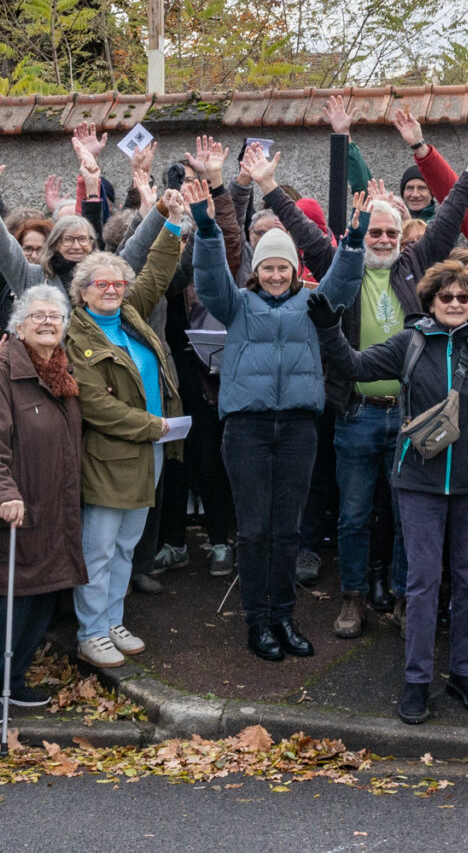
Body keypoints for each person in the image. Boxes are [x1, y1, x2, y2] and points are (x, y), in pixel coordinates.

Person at [319, 103, 468, 639]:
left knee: (407, 515)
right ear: (361, 235)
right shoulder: (342, 269)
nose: (384, 240)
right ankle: (352, 598)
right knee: (353, 515)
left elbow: (449, 216)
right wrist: (340, 140)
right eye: (374, 233)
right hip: (357, 414)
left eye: (391, 232)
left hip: (414, 416)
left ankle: (402, 597)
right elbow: (307, 224)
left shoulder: (415, 265)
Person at [349, 258, 468, 723]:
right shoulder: (408, 342)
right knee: (421, 583)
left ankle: (464, 672)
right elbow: (354, 365)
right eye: (446, 297)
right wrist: (324, 326)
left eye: (463, 297)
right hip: (418, 477)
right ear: (430, 301)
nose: (455, 304)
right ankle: (417, 680)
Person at [191, 174, 330, 662]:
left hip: (297, 428)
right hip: (247, 429)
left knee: (287, 528)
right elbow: (209, 280)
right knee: (253, 529)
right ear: (258, 269)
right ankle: (258, 620)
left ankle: (284, 615)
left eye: (283, 268)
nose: (275, 275)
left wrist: (352, 239)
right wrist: (205, 226)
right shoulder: (239, 305)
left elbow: (347, 279)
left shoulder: (311, 305)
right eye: (268, 267)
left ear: (294, 271)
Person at [0, 282, 87, 726]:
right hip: (11, 517)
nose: (48, 322)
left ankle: (12, 679)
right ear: (19, 326)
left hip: (52, 516)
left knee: (39, 605)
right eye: (39, 316)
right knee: (3, 610)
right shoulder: (1, 374)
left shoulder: (61, 375)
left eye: (56, 317)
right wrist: (2, 495)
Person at [69, 232, 187, 669]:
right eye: (101, 284)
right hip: (109, 453)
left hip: (151, 448)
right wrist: (150, 426)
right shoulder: (77, 336)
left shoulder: (132, 317)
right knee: (98, 547)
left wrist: (173, 226)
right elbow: (94, 404)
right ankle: (91, 631)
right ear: (82, 292)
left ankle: (112, 619)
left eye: (117, 283)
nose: (112, 290)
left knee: (126, 546)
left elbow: (156, 271)